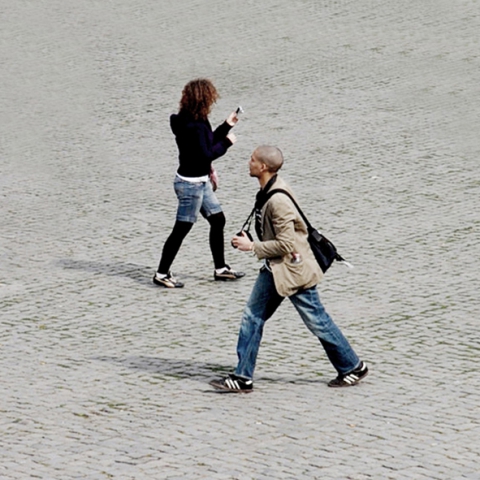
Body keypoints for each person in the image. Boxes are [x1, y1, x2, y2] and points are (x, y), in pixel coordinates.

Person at [209, 146, 368, 392]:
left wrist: (252, 246)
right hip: (275, 270)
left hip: (293, 271)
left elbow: (286, 244)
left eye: (252, 159)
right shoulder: (268, 189)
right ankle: (242, 377)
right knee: (253, 317)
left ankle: (352, 367)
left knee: (317, 320)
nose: (248, 162)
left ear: (262, 167)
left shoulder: (278, 199)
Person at [153, 79, 245, 288]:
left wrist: (226, 125)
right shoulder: (196, 125)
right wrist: (227, 143)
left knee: (218, 220)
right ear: (204, 99)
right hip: (191, 186)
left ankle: (221, 269)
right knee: (181, 229)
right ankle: (161, 273)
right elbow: (207, 153)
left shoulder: (188, 120)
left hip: (198, 182)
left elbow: (205, 142)